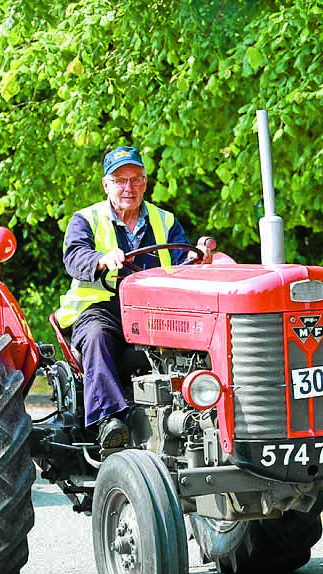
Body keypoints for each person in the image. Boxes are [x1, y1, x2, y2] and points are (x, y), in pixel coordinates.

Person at [54, 146, 212, 448]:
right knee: (96, 335)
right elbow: (74, 256)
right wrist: (101, 259)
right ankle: (109, 421)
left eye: (136, 179)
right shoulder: (86, 219)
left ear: (145, 182)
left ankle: (200, 411)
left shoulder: (164, 220)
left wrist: (199, 260)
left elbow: (182, 261)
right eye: (120, 180)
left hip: (155, 311)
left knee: (199, 335)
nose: (129, 187)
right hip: (103, 309)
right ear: (106, 184)